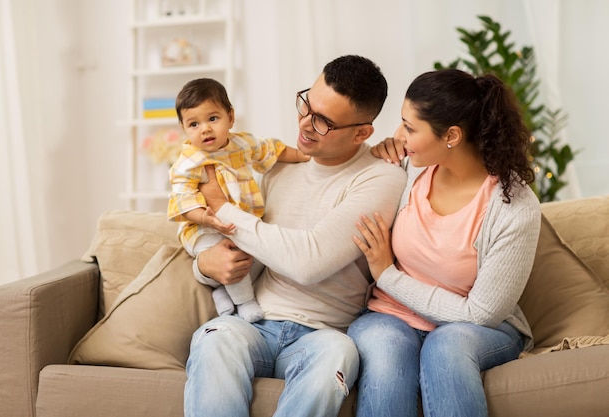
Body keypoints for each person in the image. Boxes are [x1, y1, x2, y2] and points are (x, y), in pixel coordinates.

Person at [183, 55, 407, 417]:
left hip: (322, 334)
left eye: (323, 122)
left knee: (340, 352)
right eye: (307, 104)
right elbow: (246, 250)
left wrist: (222, 207)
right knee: (213, 337)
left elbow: (308, 262)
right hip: (255, 324)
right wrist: (205, 266)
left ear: (362, 133)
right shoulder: (276, 171)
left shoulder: (381, 178)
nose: (304, 124)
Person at [347, 68, 542, 417]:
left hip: (476, 329)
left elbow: (481, 314)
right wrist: (378, 156)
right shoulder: (408, 170)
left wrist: (387, 275)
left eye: (410, 128)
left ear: (451, 135)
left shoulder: (513, 206)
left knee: (446, 345)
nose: (398, 135)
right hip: (389, 317)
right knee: (387, 349)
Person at [168, 78, 309, 323]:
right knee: (231, 254)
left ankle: (222, 292)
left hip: (235, 223)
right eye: (194, 124)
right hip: (201, 228)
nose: (205, 129)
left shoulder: (242, 144)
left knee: (254, 256)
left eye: (213, 119)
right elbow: (182, 199)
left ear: (230, 117)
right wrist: (206, 217)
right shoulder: (190, 161)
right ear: (184, 129)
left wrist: (303, 155)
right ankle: (245, 302)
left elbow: (271, 150)